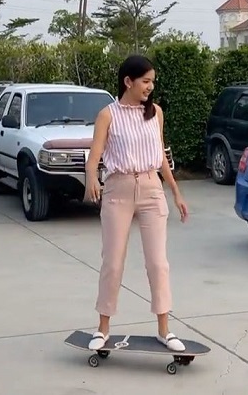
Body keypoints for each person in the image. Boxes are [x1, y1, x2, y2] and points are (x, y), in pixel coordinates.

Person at [84, 54, 189, 353]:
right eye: (145, 81)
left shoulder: (155, 113)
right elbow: (95, 154)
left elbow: (161, 155)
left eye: (152, 81)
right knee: (113, 262)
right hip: (118, 189)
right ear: (128, 81)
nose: (150, 87)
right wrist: (91, 177)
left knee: (158, 263)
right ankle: (103, 329)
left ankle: (164, 330)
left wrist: (175, 192)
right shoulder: (108, 115)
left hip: (151, 189)